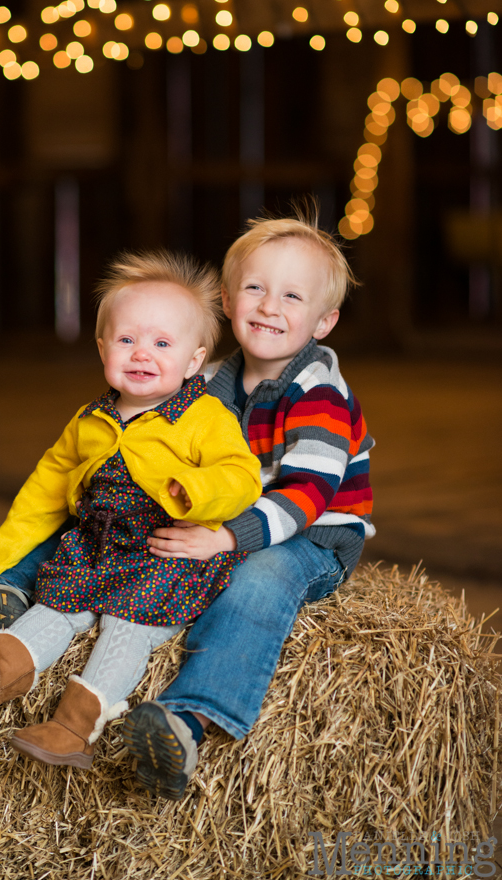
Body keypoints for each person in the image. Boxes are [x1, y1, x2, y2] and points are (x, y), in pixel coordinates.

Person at [0, 252, 263, 769]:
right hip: (96, 544)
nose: (141, 353)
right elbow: (45, 487)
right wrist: (0, 561)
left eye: (162, 343)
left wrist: (195, 490)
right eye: (126, 340)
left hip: (164, 551)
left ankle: (74, 726)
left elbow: (240, 475)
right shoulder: (89, 418)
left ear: (194, 361)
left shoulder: (205, 416)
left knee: (126, 626)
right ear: (103, 347)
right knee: (56, 605)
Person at [121, 210, 374, 798]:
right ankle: (10, 601)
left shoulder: (320, 393)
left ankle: (190, 718)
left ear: (323, 321)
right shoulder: (206, 381)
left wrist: (225, 539)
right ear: (229, 300)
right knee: (117, 525)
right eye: (255, 288)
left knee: (256, 582)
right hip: (231, 516)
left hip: (314, 536)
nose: (269, 306)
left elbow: (308, 495)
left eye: (292, 295)